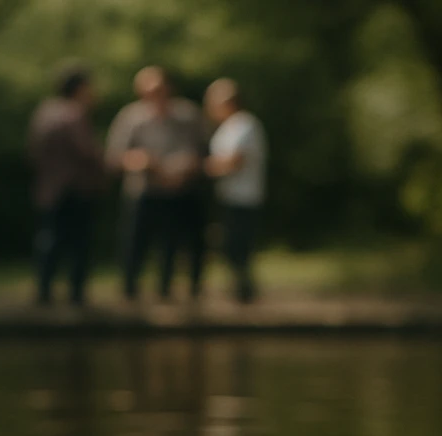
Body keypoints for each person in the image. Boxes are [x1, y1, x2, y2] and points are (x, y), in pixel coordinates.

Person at [105, 67, 209, 301]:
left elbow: (204, 151)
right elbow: (115, 158)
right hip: (144, 191)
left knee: (177, 244)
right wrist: (143, 161)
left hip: (181, 190)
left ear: (169, 88)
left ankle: (172, 291)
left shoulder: (189, 115)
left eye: (159, 90)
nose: (154, 96)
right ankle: (129, 291)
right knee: (135, 243)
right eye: (148, 92)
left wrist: (188, 166)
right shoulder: (130, 117)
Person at [28, 65, 105, 306]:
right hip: (75, 188)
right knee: (79, 242)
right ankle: (76, 293)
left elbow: (32, 151)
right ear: (80, 88)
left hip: (49, 187)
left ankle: (44, 290)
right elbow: (87, 151)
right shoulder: (74, 113)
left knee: (49, 238)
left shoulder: (44, 112)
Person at [204, 78, 267, 303]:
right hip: (230, 196)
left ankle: (245, 293)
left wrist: (202, 167)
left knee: (238, 246)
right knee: (230, 245)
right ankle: (240, 291)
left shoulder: (245, 124)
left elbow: (235, 161)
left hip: (244, 197)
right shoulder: (229, 126)